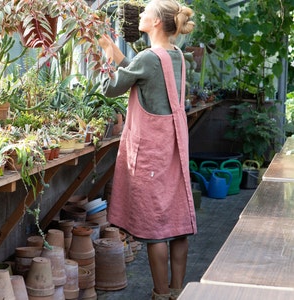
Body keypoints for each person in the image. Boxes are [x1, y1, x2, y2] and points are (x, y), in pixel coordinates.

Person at [99, 1, 197, 299]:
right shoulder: (177, 55)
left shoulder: (148, 57)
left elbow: (110, 87)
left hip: (151, 151)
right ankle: (177, 291)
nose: (140, 14)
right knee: (177, 222)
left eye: (145, 12)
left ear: (156, 22)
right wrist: (111, 47)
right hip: (174, 147)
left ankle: (159, 293)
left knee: (156, 227)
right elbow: (138, 72)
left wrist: (103, 55)